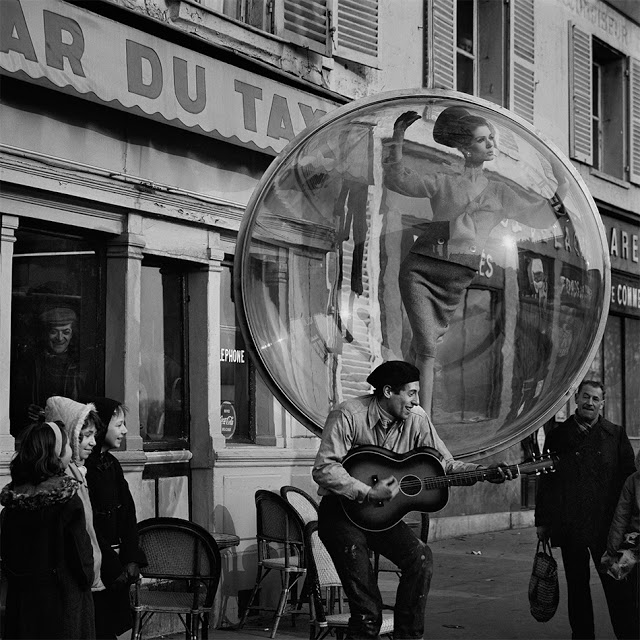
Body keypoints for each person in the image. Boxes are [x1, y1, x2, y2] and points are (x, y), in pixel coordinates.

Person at [312, 360, 514, 640]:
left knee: (420, 558)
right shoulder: (349, 414)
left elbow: (446, 464)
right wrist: (368, 491)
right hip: (341, 515)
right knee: (368, 611)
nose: (415, 401)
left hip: (383, 516)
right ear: (387, 392)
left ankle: (408, 636)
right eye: (410, 393)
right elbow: (324, 468)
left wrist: (483, 473)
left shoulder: (417, 418)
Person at [383, 107, 567, 413]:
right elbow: (398, 180)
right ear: (466, 148)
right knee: (427, 348)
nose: (491, 144)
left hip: (455, 280)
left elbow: (540, 216)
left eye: (492, 139)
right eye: (483, 140)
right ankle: (423, 422)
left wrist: (562, 186)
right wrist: (398, 138)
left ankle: (405, 409)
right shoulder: (444, 180)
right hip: (421, 269)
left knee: (421, 347)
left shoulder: (500, 192)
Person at [535, 379, 637, 639]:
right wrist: (542, 521)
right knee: (577, 588)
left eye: (595, 399)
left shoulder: (615, 434)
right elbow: (546, 480)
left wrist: (630, 526)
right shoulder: (558, 435)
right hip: (571, 526)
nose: (590, 403)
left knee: (617, 586)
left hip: (606, 527)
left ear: (602, 403)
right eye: (586, 397)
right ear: (576, 399)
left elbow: (630, 483)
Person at [0, 421, 95, 639]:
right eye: (68, 446)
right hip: (62, 608)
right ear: (56, 454)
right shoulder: (67, 502)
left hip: (22, 608)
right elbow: (82, 563)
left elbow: (6, 558)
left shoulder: (12, 505)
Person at [85, 397, 147, 640]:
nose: (125, 430)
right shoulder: (83, 468)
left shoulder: (112, 464)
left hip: (117, 565)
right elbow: (88, 523)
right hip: (99, 566)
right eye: (119, 424)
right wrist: (113, 566)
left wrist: (131, 556)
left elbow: (128, 513)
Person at [44, 396, 106, 600]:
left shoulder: (78, 473)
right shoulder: (67, 480)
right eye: (87, 435)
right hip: (73, 582)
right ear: (70, 435)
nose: (93, 442)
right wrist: (88, 572)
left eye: (94, 435)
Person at [10, 305, 86, 434]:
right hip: (36, 433)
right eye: (54, 331)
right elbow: (13, 398)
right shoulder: (30, 363)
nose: (60, 338)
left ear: (73, 333)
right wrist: (26, 409)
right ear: (45, 333)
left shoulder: (79, 364)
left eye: (66, 332)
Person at [600, 449, 640, 634]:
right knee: (622, 582)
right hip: (635, 540)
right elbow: (621, 515)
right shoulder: (633, 480)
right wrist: (612, 547)